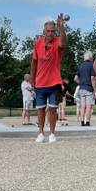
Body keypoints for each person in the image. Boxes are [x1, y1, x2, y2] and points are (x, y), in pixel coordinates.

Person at [31, 14, 67, 143]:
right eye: (48, 31)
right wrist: (32, 80)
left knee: (52, 109)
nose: (50, 33)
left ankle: (52, 133)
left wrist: (61, 27)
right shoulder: (37, 43)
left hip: (54, 82)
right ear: (44, 31)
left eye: (53, 31)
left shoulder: (57, 41)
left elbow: (63, 42)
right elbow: (34, 62)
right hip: (40, 82)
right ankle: (40, 133)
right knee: (40, 109)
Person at [76, 51, 96, 126]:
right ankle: (87, 121)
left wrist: (81, 83)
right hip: (89, 88)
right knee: (88, 106)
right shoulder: (92, 66)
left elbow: (75, 78)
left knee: (82, 106)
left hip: (81, 88)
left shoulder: (80, 65)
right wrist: (95, 91)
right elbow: (92, 79)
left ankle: (82, 121)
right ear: (91, 57)